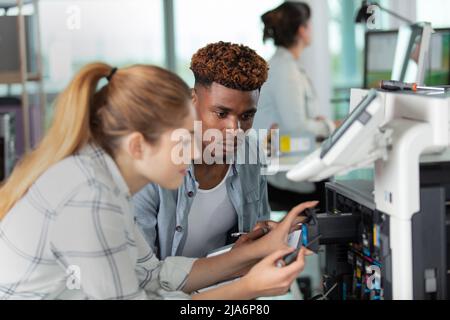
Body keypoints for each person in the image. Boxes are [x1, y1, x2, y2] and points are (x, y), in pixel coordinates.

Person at [0, 62, 315, 300]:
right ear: (137, 146)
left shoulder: (104, 181)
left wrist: (251, 253)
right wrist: (246, 289)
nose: (194, 150)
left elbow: (152, 275)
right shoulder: (89, 198)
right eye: (183, 139)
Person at [134, 42, 277, 259]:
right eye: (221, 113)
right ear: (193, 100)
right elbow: (141, 277)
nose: (234, 130)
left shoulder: (251, 154)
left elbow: (257, 235)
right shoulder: (151, 168)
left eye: (246, 116)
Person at [254, 2, 334, 210]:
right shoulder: (285, 70)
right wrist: (328, 126)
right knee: (333, 189)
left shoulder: (285, 65)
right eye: (310, 24)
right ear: (302, 30)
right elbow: (296, 126)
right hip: (284, 178)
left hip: (287, 157)